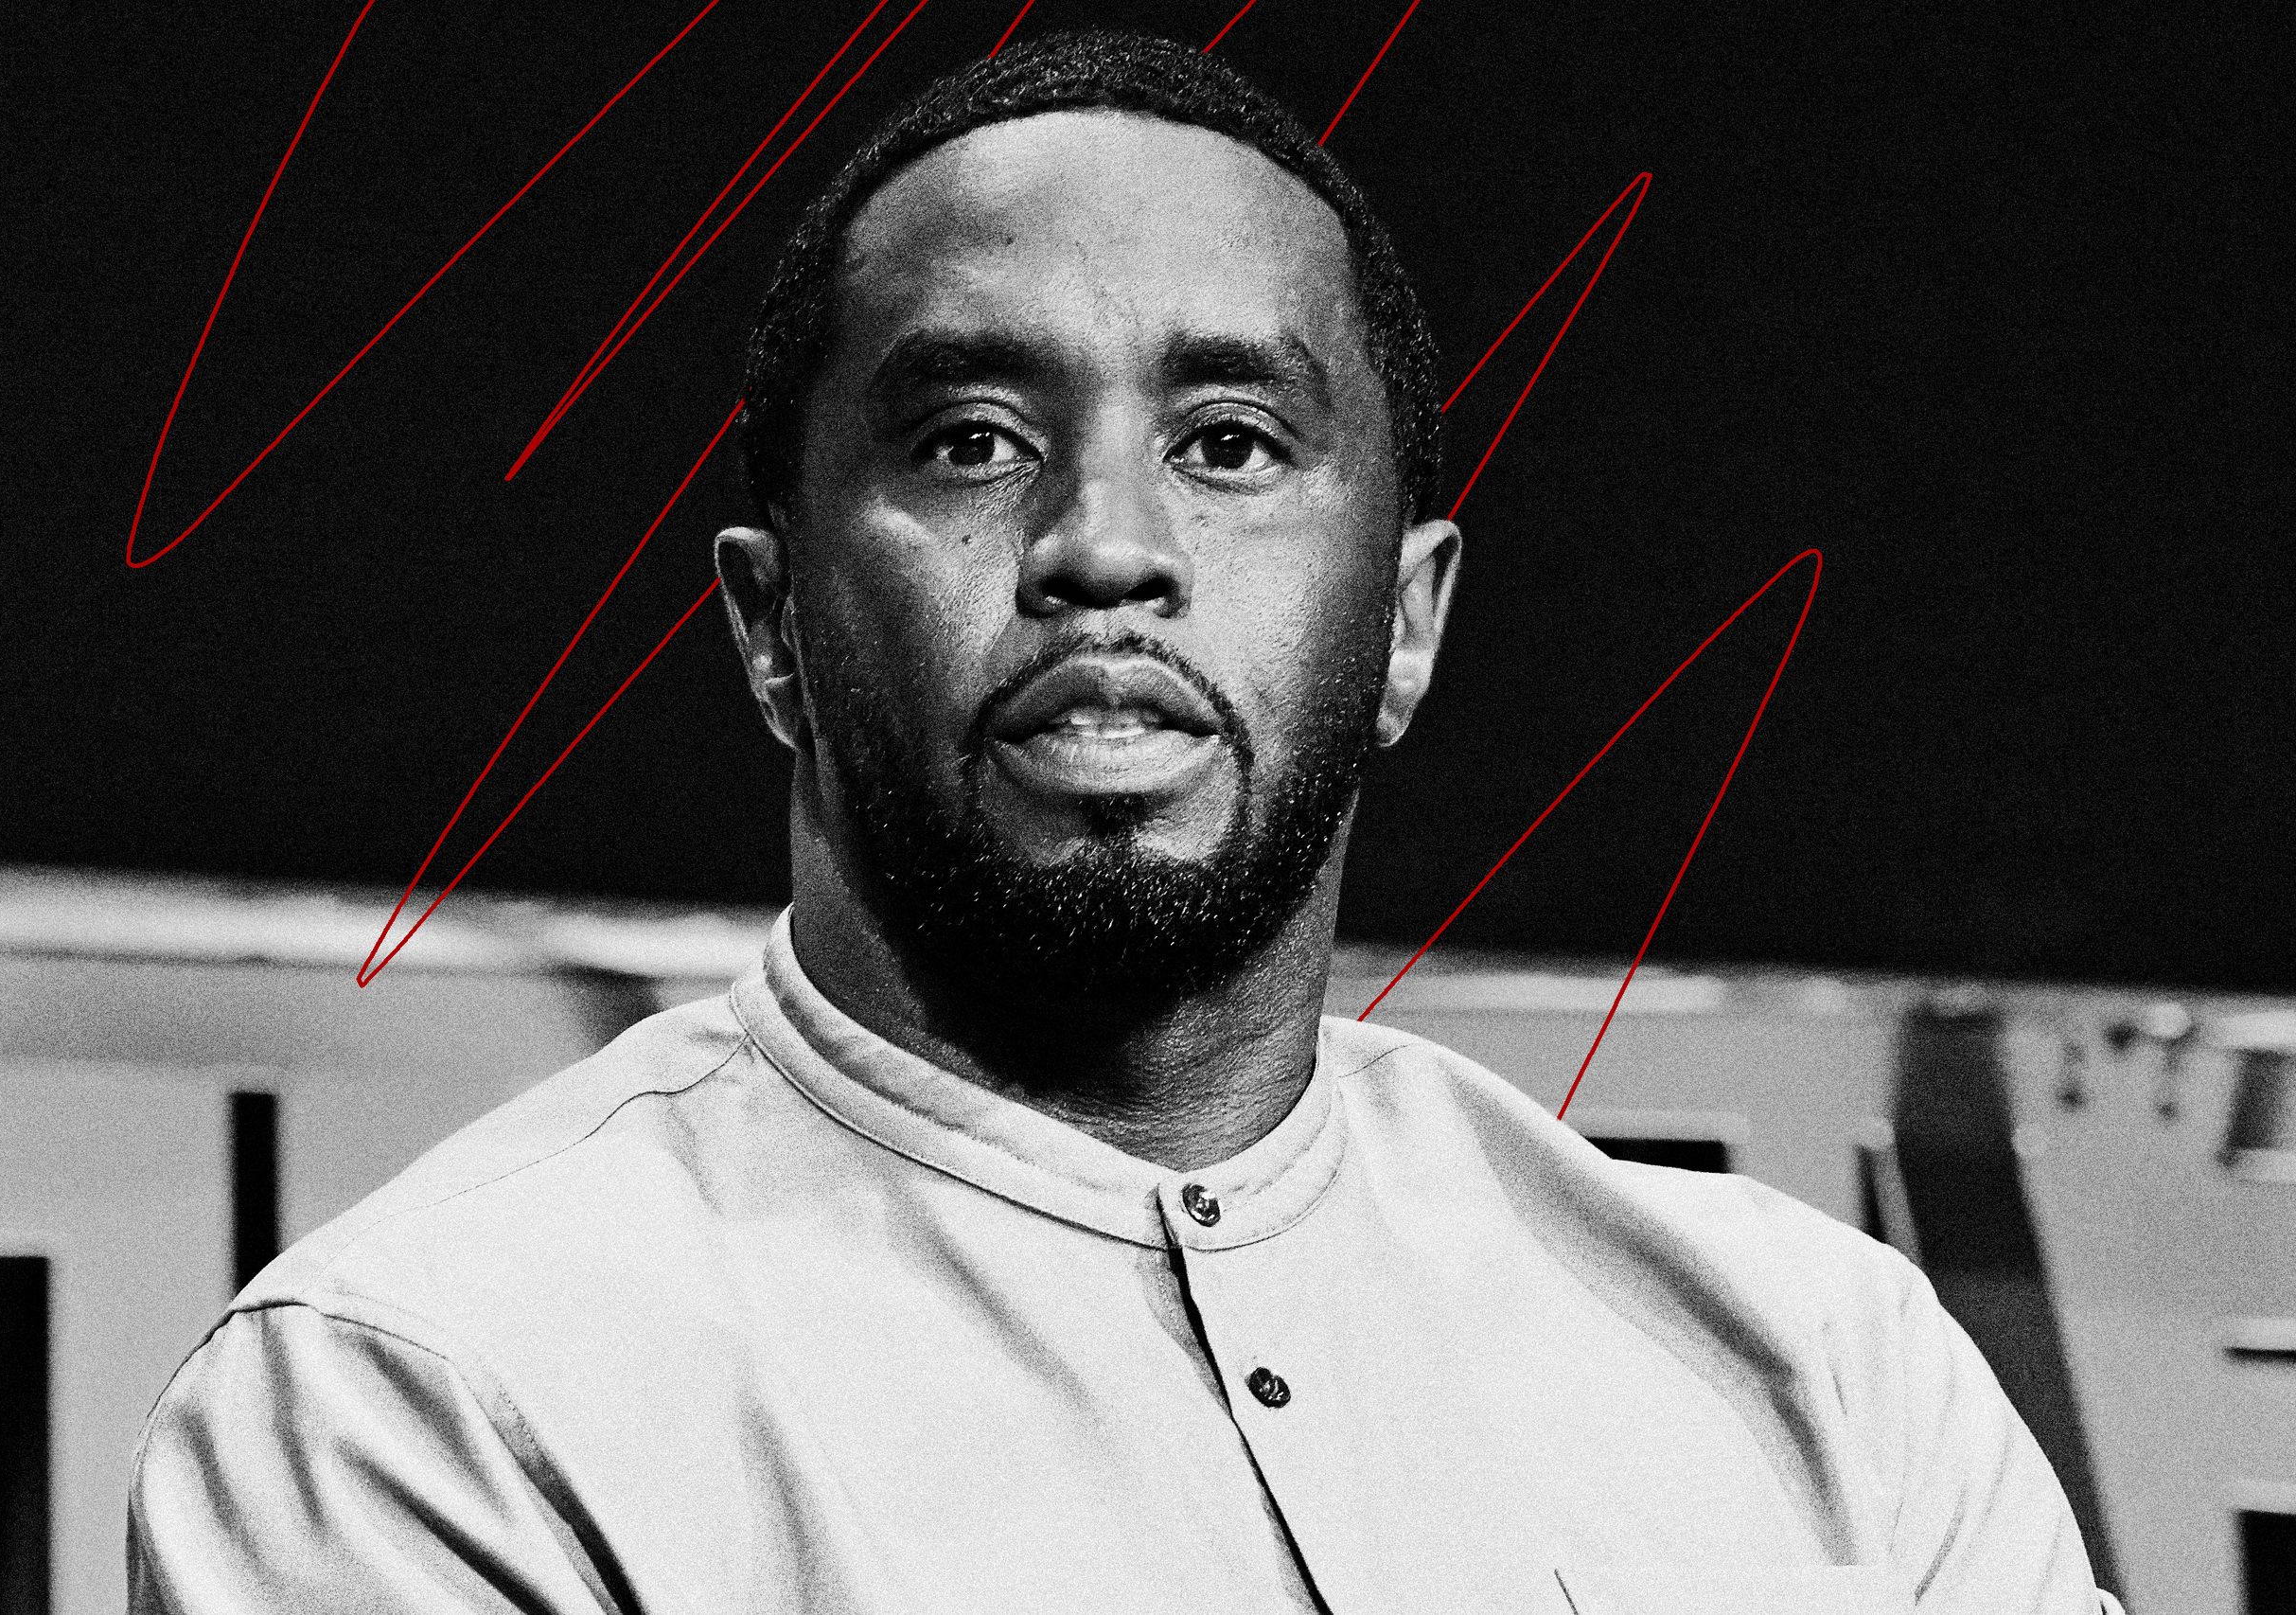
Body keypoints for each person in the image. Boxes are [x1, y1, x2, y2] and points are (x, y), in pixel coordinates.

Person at [128, 30, 2122, 1614]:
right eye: (971, 441)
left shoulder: (1819, 1363)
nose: (1103, 545)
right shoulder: (427, 1391)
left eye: (1229, 444)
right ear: (769, 625)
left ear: (1407, 621)